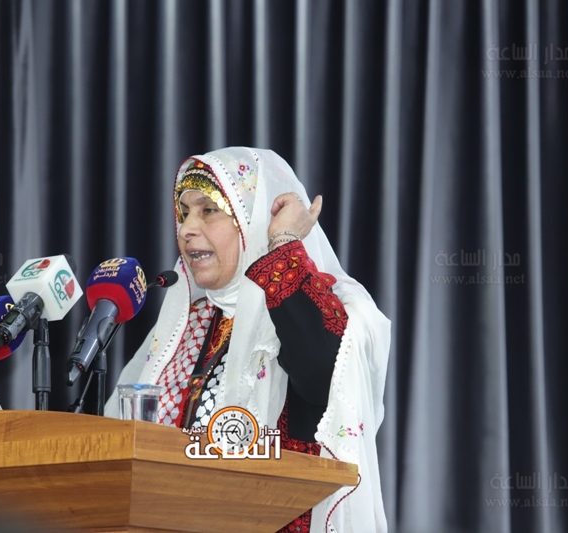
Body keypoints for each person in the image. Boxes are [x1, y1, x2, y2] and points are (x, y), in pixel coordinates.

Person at [106, 147, 390, 532]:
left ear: (251, 220)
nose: (187, 229)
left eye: (208, 210)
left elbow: (321, 374)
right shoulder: (186, 323)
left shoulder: (313, 304)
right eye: (184, 213)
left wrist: (283, 241)